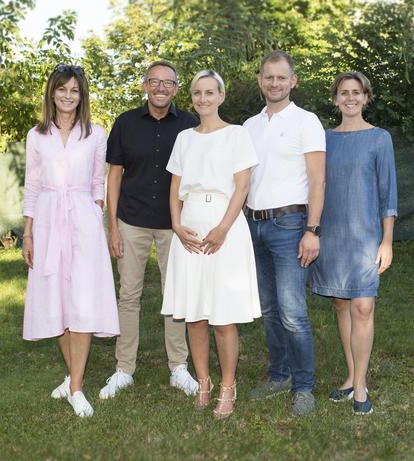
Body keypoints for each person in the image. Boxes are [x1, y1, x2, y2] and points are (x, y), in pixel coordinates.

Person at [161, 70, 261, 419]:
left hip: (226, 228)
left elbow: (242, 186)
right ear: (192, 98)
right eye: (197, 93)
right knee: (194, 313)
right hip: (189, 230)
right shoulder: (184, 138)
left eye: (210, 92)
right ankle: (203, 381)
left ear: (221, 96)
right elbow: (174, 189)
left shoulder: (237, 135)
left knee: (223, 315)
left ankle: (228, 385)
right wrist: (176, 224)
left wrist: (223, 227)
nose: (203, 99)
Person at [22, 64, 120, 418]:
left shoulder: (95, 134)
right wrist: (29, 232)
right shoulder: (37, 135)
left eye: (74, 90)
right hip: (47, 221)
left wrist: (94, 213)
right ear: (51, 92)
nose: (67, 95)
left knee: (81, 302)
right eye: (61, 89)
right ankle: (72, 374)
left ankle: (76, 387)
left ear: (82, 95)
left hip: (83, 222)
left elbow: (99, 182)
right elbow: (32, 186)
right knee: (57, 304)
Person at [101, 61, 200, 399]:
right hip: (131, 221)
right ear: (144, 86)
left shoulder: (190, 125)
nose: (161, 88)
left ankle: (178, 367)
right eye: (154, 82)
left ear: (175, 88)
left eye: (168, 83)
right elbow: (113, 176)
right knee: (128, 295)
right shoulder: (125, 123)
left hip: (176, 225)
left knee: (176, 296)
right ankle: (124, 368)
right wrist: (112, 226)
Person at [309, 71, 397, 415]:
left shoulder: (379, 139)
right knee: (341, 306)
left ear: (366, 97)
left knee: (363, 307)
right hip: (331, 233)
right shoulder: (324, 140)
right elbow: (314, 184)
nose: (350, 98)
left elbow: (387, 192)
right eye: (343, 93)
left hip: (366, 238)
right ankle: (350, 377)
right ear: (335, 99)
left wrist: (387, 240)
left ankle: (361, 386)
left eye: (356, 92)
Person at [244, 51, 326, 416]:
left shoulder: (306, 122)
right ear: (260, 80)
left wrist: (312, 229)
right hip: (253, 225)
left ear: (293, 81)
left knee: (293, 312)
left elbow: (318, 179)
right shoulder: (248, 126)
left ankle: (304, 387)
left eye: (281, 77)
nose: (274, 83)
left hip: (291, 225)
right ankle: (279, 375)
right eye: (268, 77)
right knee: (269, 308)